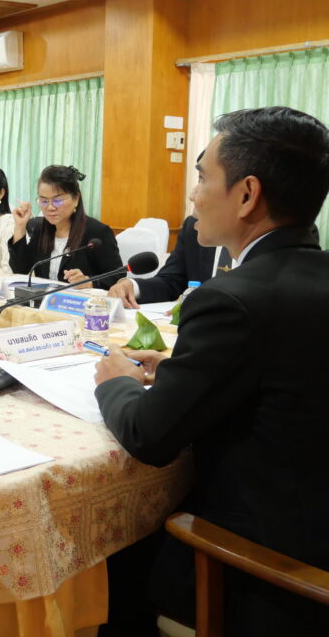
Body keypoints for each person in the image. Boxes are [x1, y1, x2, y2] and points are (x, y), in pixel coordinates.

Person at [93, 107, 329, 637]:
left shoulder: (231, 301)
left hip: (263, 572)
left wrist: (117, 382)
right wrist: (180, 370)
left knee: (110, 560)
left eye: (202, 177)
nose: (192, 196)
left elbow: (149, 435)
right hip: (314, 523)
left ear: (247, 194)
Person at [108, 213, 322, 308]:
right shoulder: (194, 226)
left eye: (204, 180)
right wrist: (133, 286)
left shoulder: (286, 233)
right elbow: (172, 280)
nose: (193, 194)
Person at [8, 165, 123, 289]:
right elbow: (20, 269)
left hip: (79, 300)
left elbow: (117, 277)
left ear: (76, 199)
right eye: (44, 201)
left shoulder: (97, 232)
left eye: (57, 201)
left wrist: (89, 281)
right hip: (45, 299)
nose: (50, 207)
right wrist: (20, 226)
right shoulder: (40, 230)